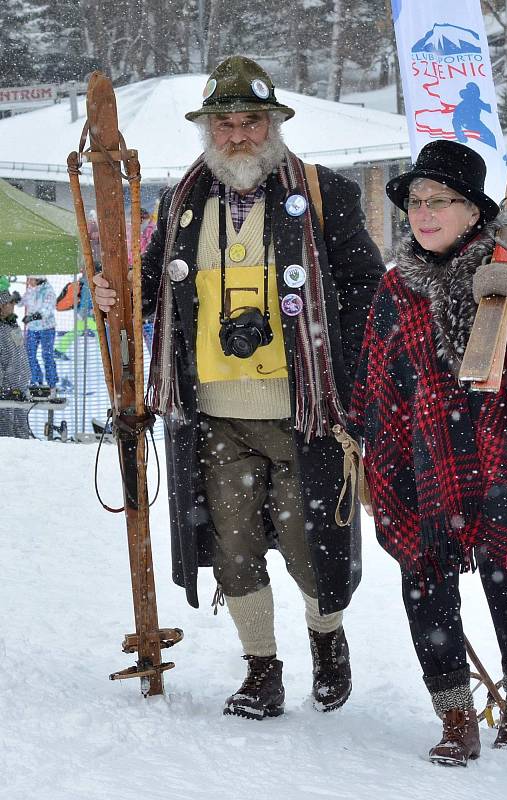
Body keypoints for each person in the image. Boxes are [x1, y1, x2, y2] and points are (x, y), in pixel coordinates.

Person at [92, 56, 385, 719]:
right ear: (207, 131)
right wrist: (116, 294)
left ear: (274, 123)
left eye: (250, 121)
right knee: (235, 549)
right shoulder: (179, 204)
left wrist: (349, 386)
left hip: (305, 413)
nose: (237, 136)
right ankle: (262, 669)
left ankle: (327, 642)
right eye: (223, 124)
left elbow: (368, 294)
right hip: (213, 415)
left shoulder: (322, 193)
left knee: (313, 548)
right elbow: (142, 290)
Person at [345, 140, 507, 763]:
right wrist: (375, 452)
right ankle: (455, 712)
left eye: (441, 201)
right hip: (423, 464)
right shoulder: (396, 289)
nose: (424, 213)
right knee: (424, 585)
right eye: (415, 202)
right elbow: (377, 383)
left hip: (503, 457)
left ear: (475, 211)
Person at [0, 288, 31, 438]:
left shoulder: (13, 325)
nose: (13, 305)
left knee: (22, 431)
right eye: (9, 303)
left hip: (20, 388)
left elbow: (20, 356)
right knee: (6, 434)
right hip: (6, 391)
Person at [20, 275, 58, 392]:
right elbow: (23, 301)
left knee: (47, 355)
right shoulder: (31, 290)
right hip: (32, 329)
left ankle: (52, 383)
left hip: (46, 328)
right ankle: (35, 380)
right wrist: (15, 299)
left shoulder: (48, 291)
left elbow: (47, 310)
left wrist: (32, 317)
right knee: (29, 355)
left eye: (31, 279)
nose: (29, 282)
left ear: (38, 279)